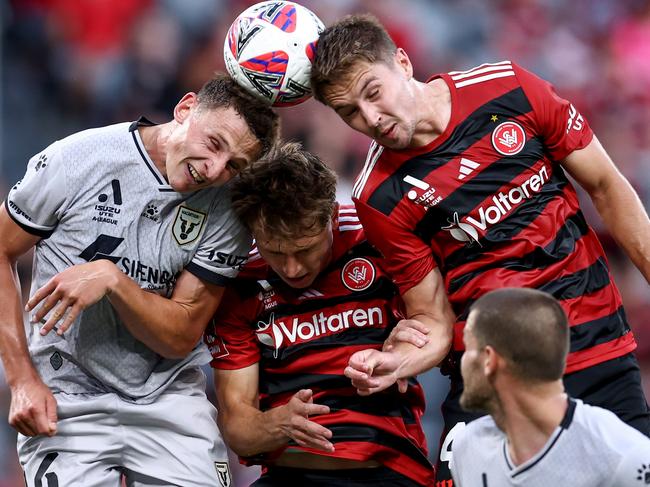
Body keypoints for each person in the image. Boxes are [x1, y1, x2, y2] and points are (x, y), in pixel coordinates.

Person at [310, 13, 650, 483]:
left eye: (373, 93)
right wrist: (397, 362)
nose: (370, 119)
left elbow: (607, 187)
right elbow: (432, 317)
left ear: (403, 63)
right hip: (493, 379)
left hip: (594, 346)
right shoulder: (378, 196)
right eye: (349, 112)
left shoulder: (510, 89)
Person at [0, 73, 279, 487]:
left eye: (234, 165)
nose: (215, 169)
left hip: (169, 398)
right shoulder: (79, 158)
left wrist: (112, 279)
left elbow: (181, 334)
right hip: (67, 396)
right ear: (185, 109)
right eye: (214, 144)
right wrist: (22, 379)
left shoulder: (229, 208)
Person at [204, 142, 435, 486]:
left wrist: (407, 349)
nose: (292, 268)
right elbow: (237, 427)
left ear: (331, 213)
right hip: (289, 472)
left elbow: (437, 320)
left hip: (389, 468)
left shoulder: (379, 239)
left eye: (305, 248)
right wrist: (280, 423)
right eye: (275, 251)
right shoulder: (239, 281)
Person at [451, 288, 650, 486]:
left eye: (468, 347)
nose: (461, 361)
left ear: (489, 360)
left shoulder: (624, 458)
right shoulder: (467, 449)